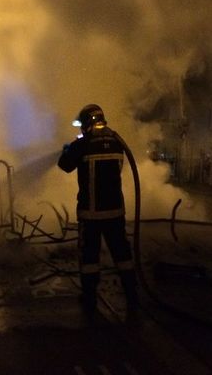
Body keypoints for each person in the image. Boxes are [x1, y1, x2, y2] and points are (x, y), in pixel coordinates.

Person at [58, 104, 139, 319]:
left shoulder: (82, 145)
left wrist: (68, 150)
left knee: (89, 260)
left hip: (90, 215)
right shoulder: (117, 142)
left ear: (86, 123)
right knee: (123, 256)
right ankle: (132, 298)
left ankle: (90, 299)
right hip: (115, 213)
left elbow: (64, 165)